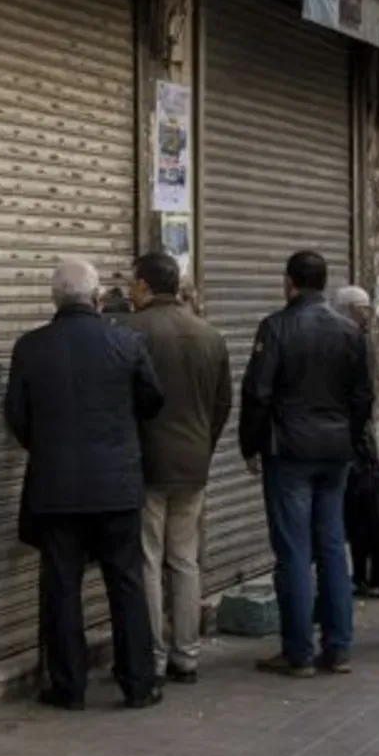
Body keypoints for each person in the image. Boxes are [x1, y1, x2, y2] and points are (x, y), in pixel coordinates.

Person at [6, 257, 165, 710]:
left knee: (61, 587)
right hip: (116, 485)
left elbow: (17, 417)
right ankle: (138, 682)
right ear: (96, 298)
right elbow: (152, 400)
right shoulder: (127, 343)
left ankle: (68, 686)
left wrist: (50, 448)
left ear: (55, 299)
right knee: (126, 583)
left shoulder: (30, 348)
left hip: (56, 488)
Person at [239, 251, 372, 677]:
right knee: (333, 547)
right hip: (335, 453)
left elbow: (258, 394)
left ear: (289, 282)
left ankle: (298, 652)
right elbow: (363, 397)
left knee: (294, 552)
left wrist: (251, 445)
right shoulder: (351, 331)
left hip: (290, 452)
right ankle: (340, 647)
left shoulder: (276, 328)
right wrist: (348, 438)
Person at [122, 252, 231, 686]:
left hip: (147, 462)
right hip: (193, 463)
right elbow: (223, 403)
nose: (130, 290)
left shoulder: (131, 332)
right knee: (185, 559)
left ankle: (154, 654)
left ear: (145, 285)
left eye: (133, 283)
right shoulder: (210, 335)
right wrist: (204, 444)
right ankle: (188, 653)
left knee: (149, 559)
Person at [332, 287, 379, 601]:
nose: (365, 316)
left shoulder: (355, 340)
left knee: (362, 510)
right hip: (356, 439)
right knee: (362, 511)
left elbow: (362, 395)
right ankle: (367, 574)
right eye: (360, 309)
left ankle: (370, 574)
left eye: (366, 309)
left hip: (354, 441)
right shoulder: (353, 339)